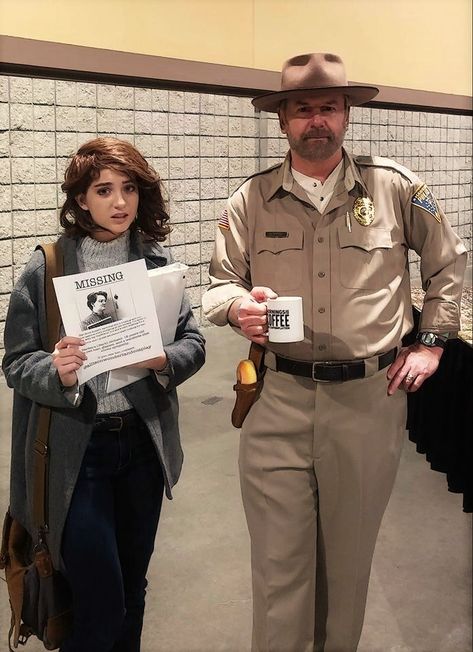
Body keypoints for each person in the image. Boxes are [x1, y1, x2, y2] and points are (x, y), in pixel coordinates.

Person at [202, 53, 467, 652]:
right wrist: (236, 306)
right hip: (277, 401)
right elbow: (218, 283)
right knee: (279, 568)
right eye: (302, 109)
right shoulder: (251, 199)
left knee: (347, 565)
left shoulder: (396, 189)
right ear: (283, 121)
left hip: (369, 403)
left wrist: (431, 341)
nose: (315, 120)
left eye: (328, 107)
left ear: (347, 114)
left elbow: (448, 262)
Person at [3, 137, 205, 652]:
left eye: (129, 188)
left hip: (141, 444)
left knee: (133, 590)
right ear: (80, 200)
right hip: (77, 450)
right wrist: (59, 371)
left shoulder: (158, 264)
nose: (120, 202)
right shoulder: (46, 269)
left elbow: (194, 342)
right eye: (104, 189)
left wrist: (164, 360)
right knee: (99, 600)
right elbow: (16, 362)